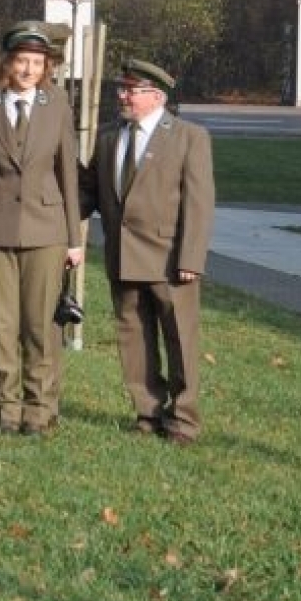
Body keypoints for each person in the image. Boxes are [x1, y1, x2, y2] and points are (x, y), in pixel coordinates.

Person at [0, 21, 84, 435]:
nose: (28, 70)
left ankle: (40, 407)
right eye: (21, 61)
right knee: (1, 323)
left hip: (47, 231)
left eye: (36, 62)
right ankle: (7, 408)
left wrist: (74, 239)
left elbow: (68, 173)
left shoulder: (58, 106)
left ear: (46, 67)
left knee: (39, 324)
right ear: (7, 63)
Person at [81, 59, 215, 445]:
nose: (122, 97)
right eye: (121, 90)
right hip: (122, 256)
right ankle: (147, 413)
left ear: (157, 96)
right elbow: (88, 191)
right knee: (133, 336)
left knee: (180, 339)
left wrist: (191, 258)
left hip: (169, 259)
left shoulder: (189, 137)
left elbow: (199, 203)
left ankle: (184, 420)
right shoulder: (109, 136)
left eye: (130, 91)